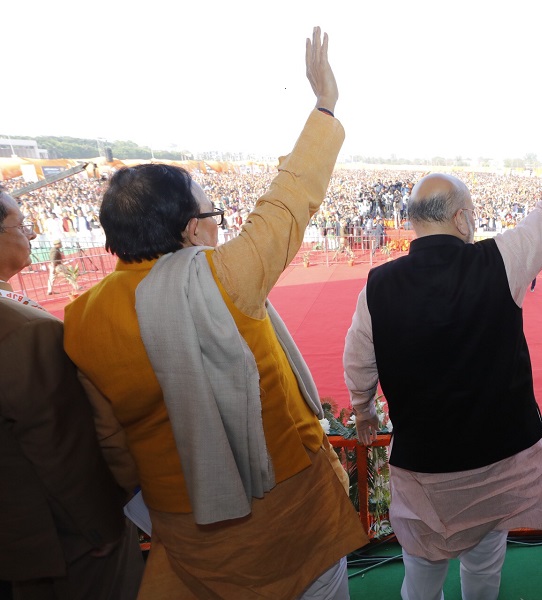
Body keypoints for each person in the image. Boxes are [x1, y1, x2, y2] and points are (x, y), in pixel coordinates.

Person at [63, 28, 368, 599]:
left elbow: (111, 442)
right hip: (289, 513)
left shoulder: (80, 319)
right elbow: (290, 197)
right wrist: (325, 104)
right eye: (213, 215)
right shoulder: (224, 278)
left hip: (189, 530)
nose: (218, 226)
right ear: (189, 228)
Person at [343, 111, 542, 599]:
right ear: (461, 218)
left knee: (421, 584)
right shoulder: (501, 261)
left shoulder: (377, 286)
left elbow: (358, 364)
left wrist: (365, 413)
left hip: (424, 472)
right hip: (498, 466)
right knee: (483, 573)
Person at [0, 187, 144, 599]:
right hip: (63, 543)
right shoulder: (23, 330)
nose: (28, 234)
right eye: (20, 225)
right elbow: (64, 446)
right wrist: (102, 523)